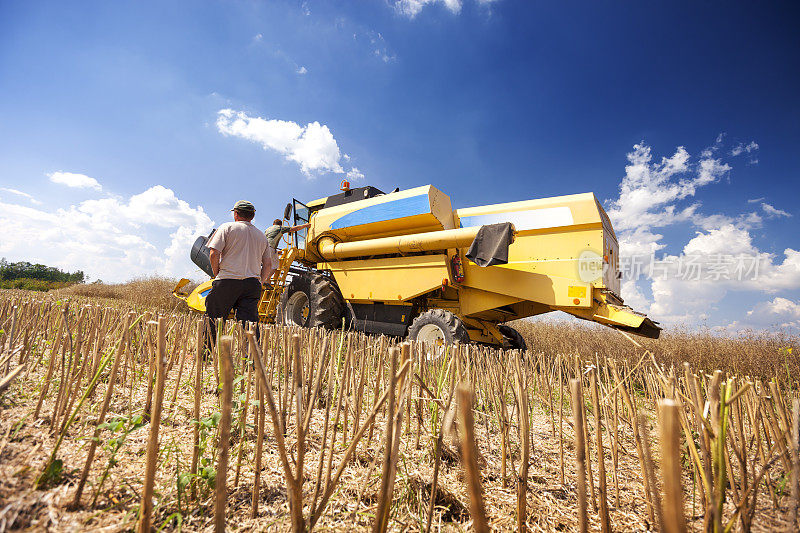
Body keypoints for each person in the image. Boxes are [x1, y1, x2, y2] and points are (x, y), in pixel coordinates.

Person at [204, 200, 276, 350]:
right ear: (252, 216)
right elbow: (268, 264)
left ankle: (205, 354)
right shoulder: (261, 236)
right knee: (249, 324)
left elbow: (213, 253)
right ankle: (252, 359)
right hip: (252, 285)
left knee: (214, 319)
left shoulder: (227, 227)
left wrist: (216, 274)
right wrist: (260, 282)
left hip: (227, 280)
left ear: (235, 214)